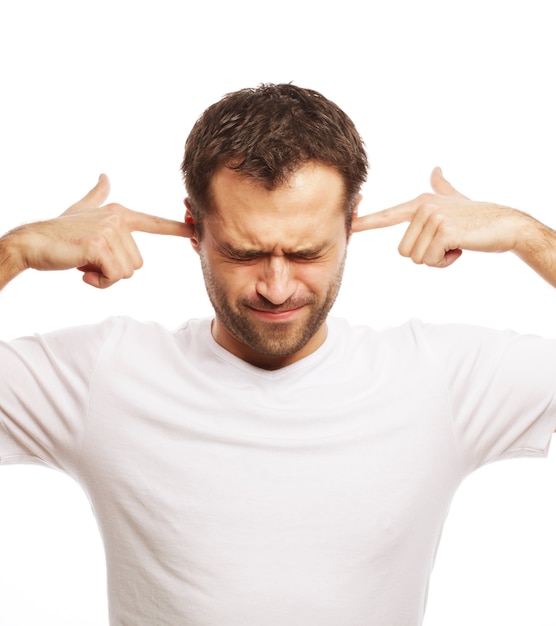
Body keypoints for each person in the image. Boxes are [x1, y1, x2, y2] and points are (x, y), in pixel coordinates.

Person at [1, 83, 555, 626]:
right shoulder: (107, 374)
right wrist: (15, 251)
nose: (276, 286)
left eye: (308, 251)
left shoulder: (439, 379)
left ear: (351, 223)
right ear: (194, 227)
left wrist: (527, 236)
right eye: (244, 253)